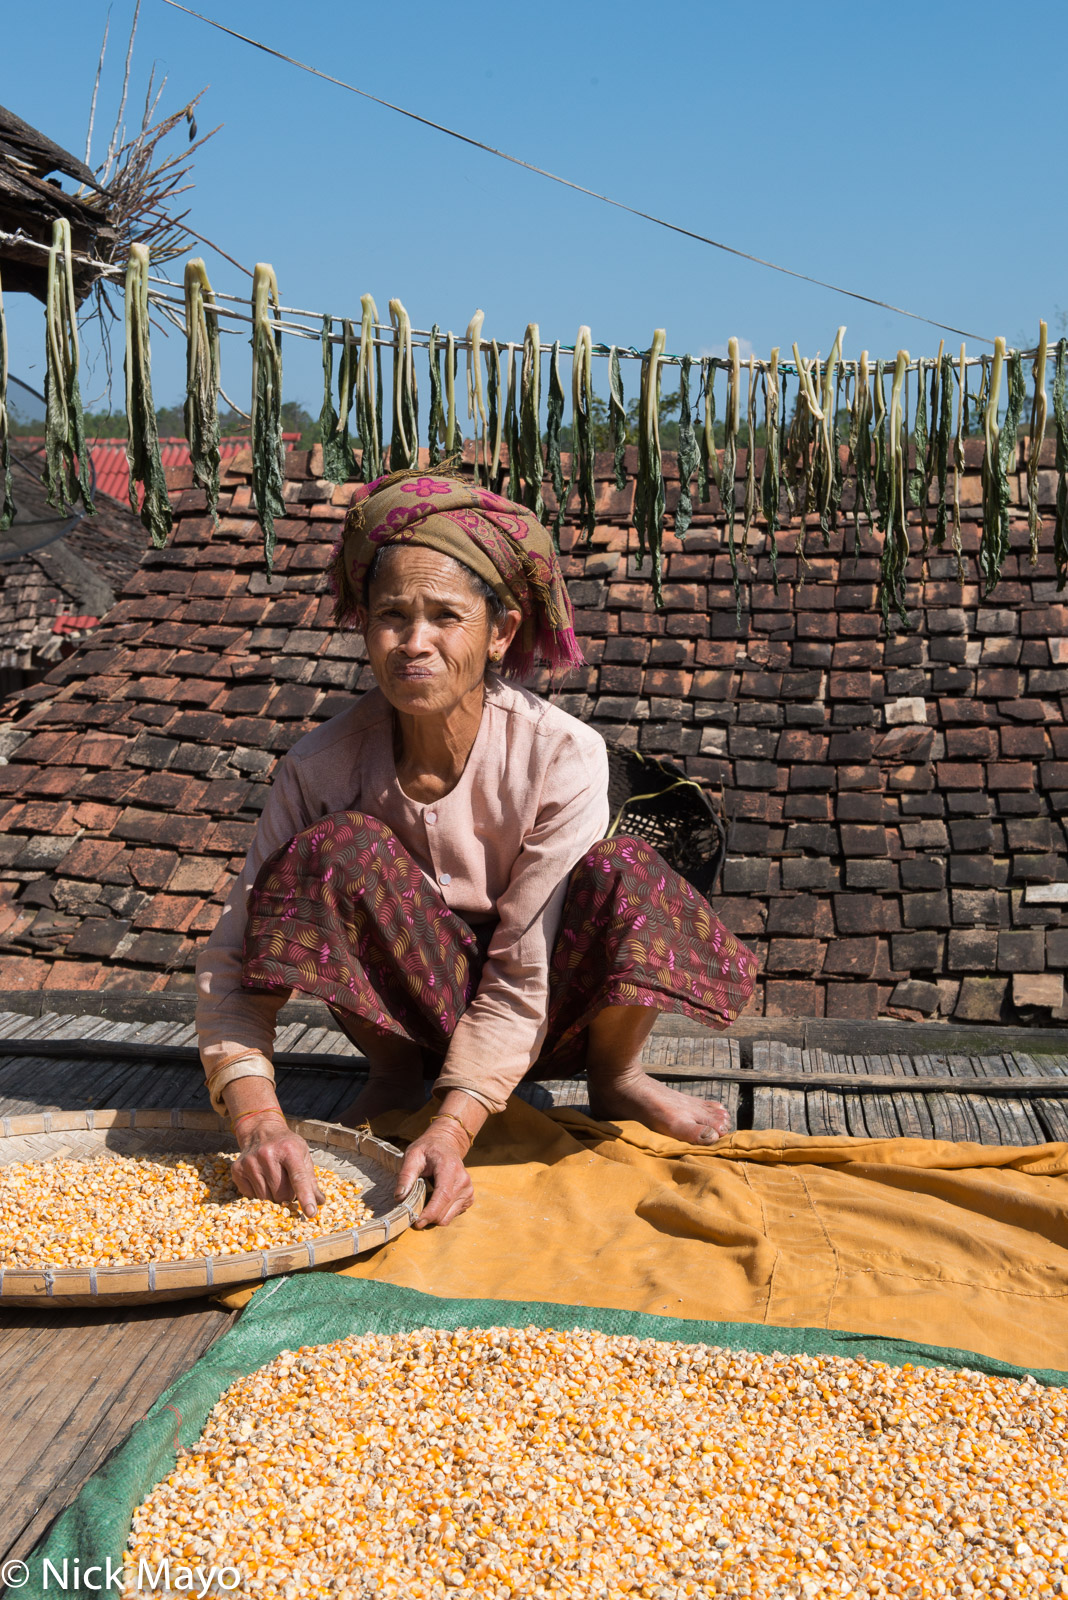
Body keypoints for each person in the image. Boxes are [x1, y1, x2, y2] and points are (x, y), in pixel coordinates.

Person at [195, 469, 756, 1229]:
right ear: (365, 627)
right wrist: (257, 1117)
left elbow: (525, 969)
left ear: (499, 632)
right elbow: (233, 955)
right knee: (339, 849)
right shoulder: (320, 767)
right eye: (392, 615)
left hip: (554, 1018)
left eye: (444, 617)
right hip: (411, 1011)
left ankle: (616, 1072)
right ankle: (395, 1074)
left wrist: (452, 1130)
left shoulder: (559, 755)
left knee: (625, 873)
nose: (414, 642)